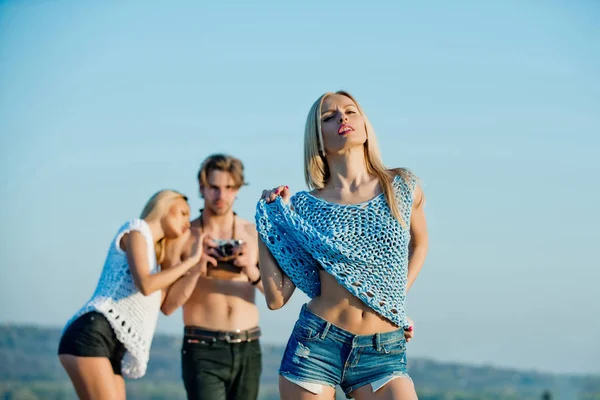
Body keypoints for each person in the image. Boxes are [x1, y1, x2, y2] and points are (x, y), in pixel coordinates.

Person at [255, 91, 428, 399]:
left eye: (350, 111)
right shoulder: (304, 207)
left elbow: (420, 244)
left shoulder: (400, 186)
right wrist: (268, 224)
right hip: (316, 344)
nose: (342, 118)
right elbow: (276, 297)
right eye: (329, 117)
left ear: (364, 125)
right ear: (317, 137)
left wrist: (392, 300)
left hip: (383, 348)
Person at [58, 189, 205, 400]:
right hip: (92, 334)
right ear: (163, 205)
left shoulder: (154, 260)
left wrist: (196, 268)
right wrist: (190, 260)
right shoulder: (136, 230)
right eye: (183, 213)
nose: (187, 222)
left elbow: (166, 305)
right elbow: (145, 284)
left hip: (114, 344)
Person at [161, 154, 263, 400]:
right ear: (202, 188)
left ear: (238, 189)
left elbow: (276, 295)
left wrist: (250, 268)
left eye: (229, 188)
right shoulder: (184, 236)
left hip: (248, 347)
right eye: (214, 188)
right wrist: (195, 267)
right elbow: (167, 306)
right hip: (202, 347)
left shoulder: (252, 233)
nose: (221, 196)